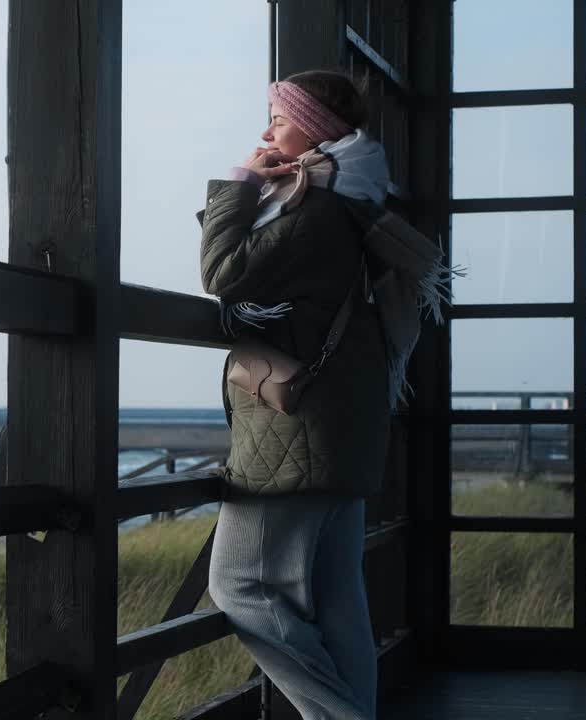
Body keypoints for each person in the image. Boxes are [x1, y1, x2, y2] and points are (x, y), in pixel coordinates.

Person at [197, 70, 459, 719]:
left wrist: (242, 181)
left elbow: (222, 274)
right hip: (343, 431)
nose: (267, 132)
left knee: (240, 588)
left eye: (278, 119)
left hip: (299, 433)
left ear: (313, 129)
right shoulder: (352, 201)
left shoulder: (316, 208)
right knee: (339, 601)